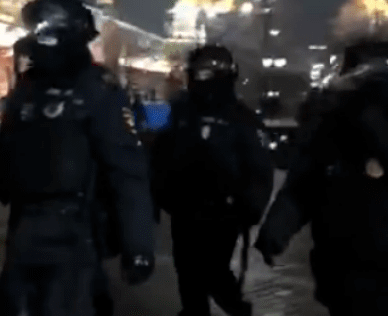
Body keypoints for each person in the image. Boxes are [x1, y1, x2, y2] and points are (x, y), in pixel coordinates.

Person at [0, 0, 155, 316]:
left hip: (75, 230)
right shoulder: (27, 88)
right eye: (36, 29)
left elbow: (126, 171)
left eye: (46, 29)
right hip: (24, 227)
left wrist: (137, 245)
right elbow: (9, 146)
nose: (39, 38)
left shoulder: (97, 89)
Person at [255, 39, 388, 315]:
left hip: (344, 259)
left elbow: (302, 185)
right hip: (349, 260)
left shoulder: (332, 118)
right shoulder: (333, 119)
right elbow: (304, 183)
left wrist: (275, 232)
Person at [150, 44, 273, 316]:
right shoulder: (179, 110)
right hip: (184, 208)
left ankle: (237, 308)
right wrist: (160, 195)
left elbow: (259, 168)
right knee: (188, 272)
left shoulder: (241, 118)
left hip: (224, 211)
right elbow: (155, 148)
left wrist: (250, 208)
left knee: (213, 271)